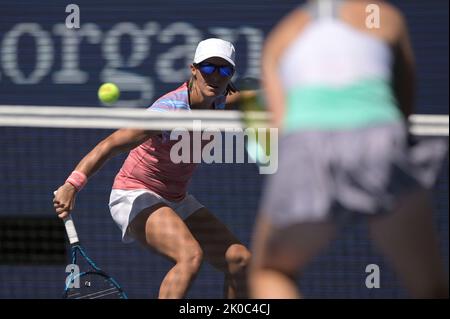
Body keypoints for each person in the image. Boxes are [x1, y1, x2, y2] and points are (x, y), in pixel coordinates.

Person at [249, 0, 448, 298]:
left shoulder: (281, 36)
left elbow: (279, 128)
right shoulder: (388, 18)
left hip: (304, 149)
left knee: (270, 271)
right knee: (430, 288)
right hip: (379, 140)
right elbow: (403, 106)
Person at [53, 38, 251, 299]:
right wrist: (72, 185)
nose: (215, 76)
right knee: (190, 256)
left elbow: (270, 92)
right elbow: (110, 144)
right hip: (135, 193)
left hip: (176, 198)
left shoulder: (224, 100)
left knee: (240, 259)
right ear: (194, 70)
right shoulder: (167, 112)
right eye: (208, 68)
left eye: (224, 70)